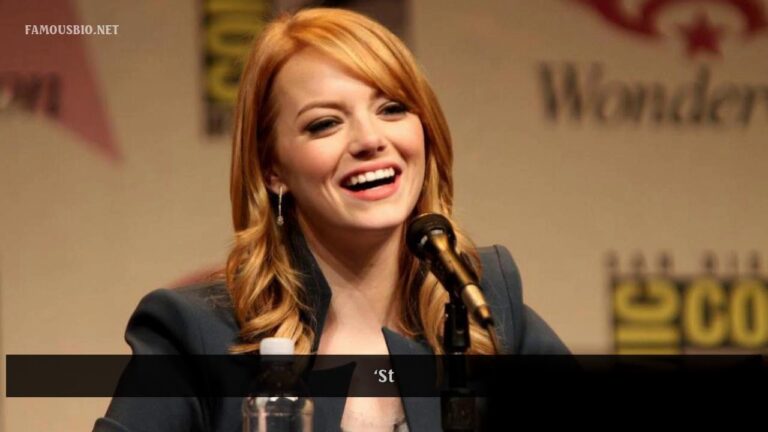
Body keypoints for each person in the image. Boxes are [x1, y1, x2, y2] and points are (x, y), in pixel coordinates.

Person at [93, 7, 569, 432]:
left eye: (391, 108)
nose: (369, 139)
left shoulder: (485, 302)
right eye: (325, 123)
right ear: (273, 169)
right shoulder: (199, 333)